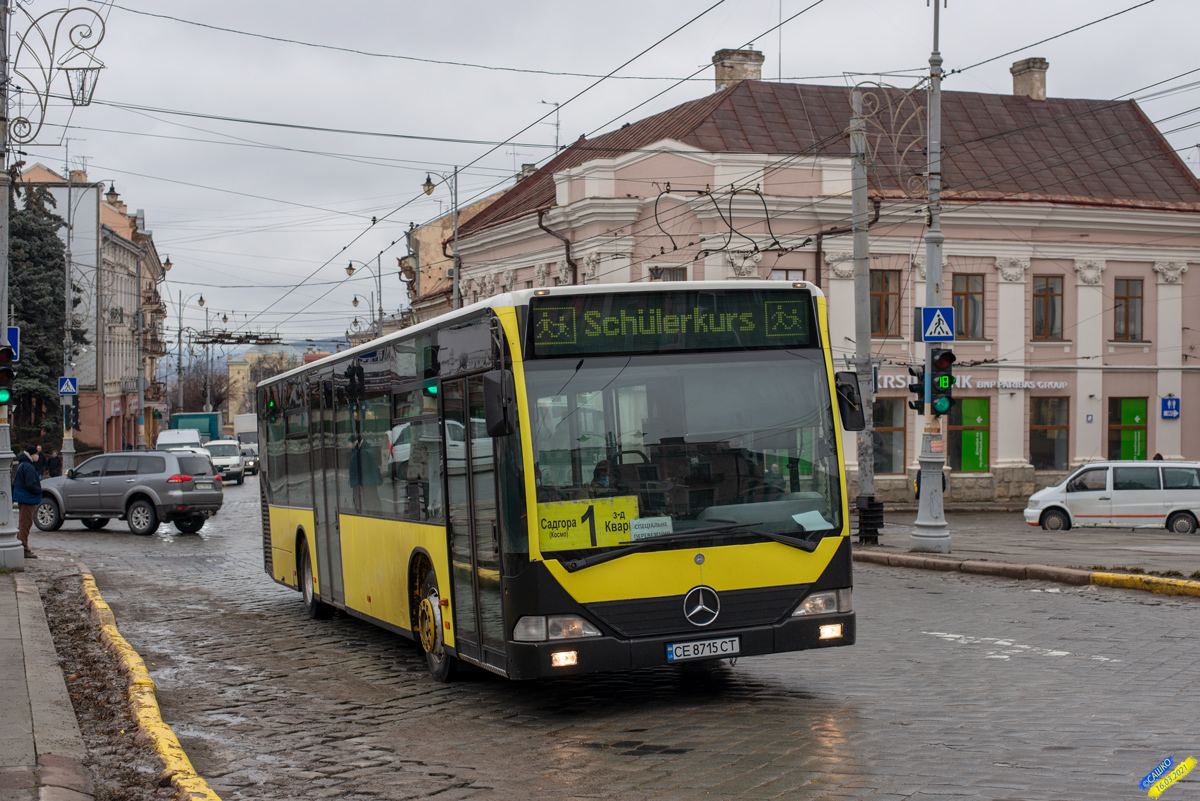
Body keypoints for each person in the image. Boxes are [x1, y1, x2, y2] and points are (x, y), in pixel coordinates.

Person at [13, 445, 42, 559]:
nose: (37, 456)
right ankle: (23, 547)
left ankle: (21, 544)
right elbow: (30, 484)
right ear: (32, 455)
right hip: (27, 497)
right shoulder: (28, 466)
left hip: (22, 496)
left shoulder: (21, 464)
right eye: (36, 454)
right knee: (26, 522)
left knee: (23, 522)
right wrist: (39, 490)